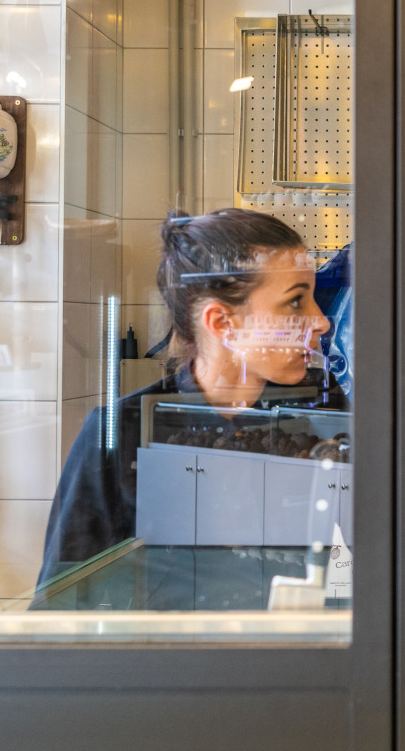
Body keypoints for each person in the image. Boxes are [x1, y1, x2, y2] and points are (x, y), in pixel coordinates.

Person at [39, 208, 336, 584]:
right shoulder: (122, 432)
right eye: (296, 301)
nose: (321, 321)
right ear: (222, 322)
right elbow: (61, 602)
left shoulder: (323, 406)